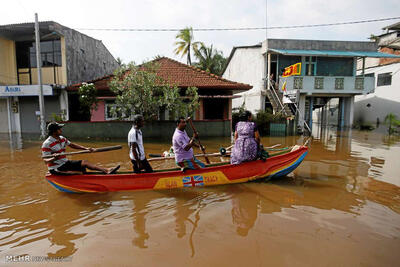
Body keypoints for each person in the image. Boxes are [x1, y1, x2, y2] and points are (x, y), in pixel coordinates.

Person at [42, 122, 120, 174]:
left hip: (65, 162)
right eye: (59, 129)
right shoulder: (47, 144)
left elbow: (72, 145)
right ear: (54, 131)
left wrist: (86, 149)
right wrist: (54, 159)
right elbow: (45, 161)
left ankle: (106, 170)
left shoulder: (62, 138)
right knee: (79, 172)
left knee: (84, 163)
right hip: (56, 167)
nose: (61, 130)